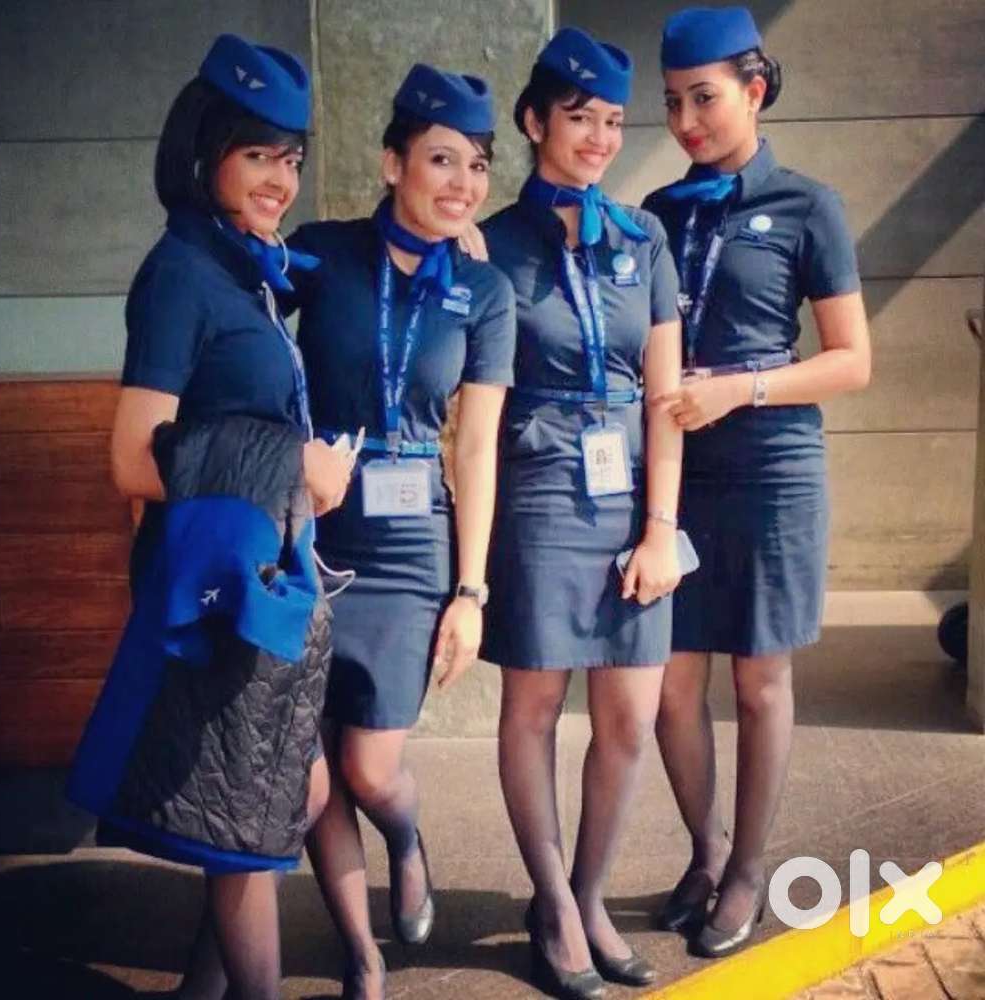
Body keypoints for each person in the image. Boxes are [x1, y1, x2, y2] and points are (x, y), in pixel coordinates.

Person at [66, 34, 352, 1000]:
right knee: (253, 822)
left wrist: (460, 238)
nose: (281, 179)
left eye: (291, 158)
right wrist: (292, 464)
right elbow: (130, 456)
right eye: (257, 154)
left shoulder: (247, 267)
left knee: (276, 795)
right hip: (214, 574)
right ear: (206, 151)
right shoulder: (182, 273)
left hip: (257, 569)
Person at [643, 6, 871, 958]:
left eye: (704, 98)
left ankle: (747, 874)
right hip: (679, 469)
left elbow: (852, 360)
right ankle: (706, 852)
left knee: (760, 677)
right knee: (668, 679)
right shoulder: (659, 214)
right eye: (672, 103)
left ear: (755, 88)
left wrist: (741, 388)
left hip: (773, 467)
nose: (686, 121)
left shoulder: (809, 206)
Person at [285, 64, 516, 999]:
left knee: (370, 766)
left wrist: (472, 591)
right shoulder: (319, 253)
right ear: (393, 163)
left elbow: (478, 447)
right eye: (441, 159)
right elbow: (244, 325)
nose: (462, 183)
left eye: (477, 166)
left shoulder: (484, 291)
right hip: (312, 528)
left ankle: (407, 837)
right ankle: (361, 952)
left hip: (415, 541)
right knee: (311, 764)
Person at [481, 27, 683, 1000]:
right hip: (536, 491)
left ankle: (590, 892)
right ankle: (554, 904)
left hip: (630, 489)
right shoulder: (489, 245)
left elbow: (666, 396)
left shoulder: (643, 238)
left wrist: (660, 526)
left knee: (630, 717)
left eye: (612, 120)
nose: (600, 137)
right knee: (533, 709)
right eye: (579, 117)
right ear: (534, 121)